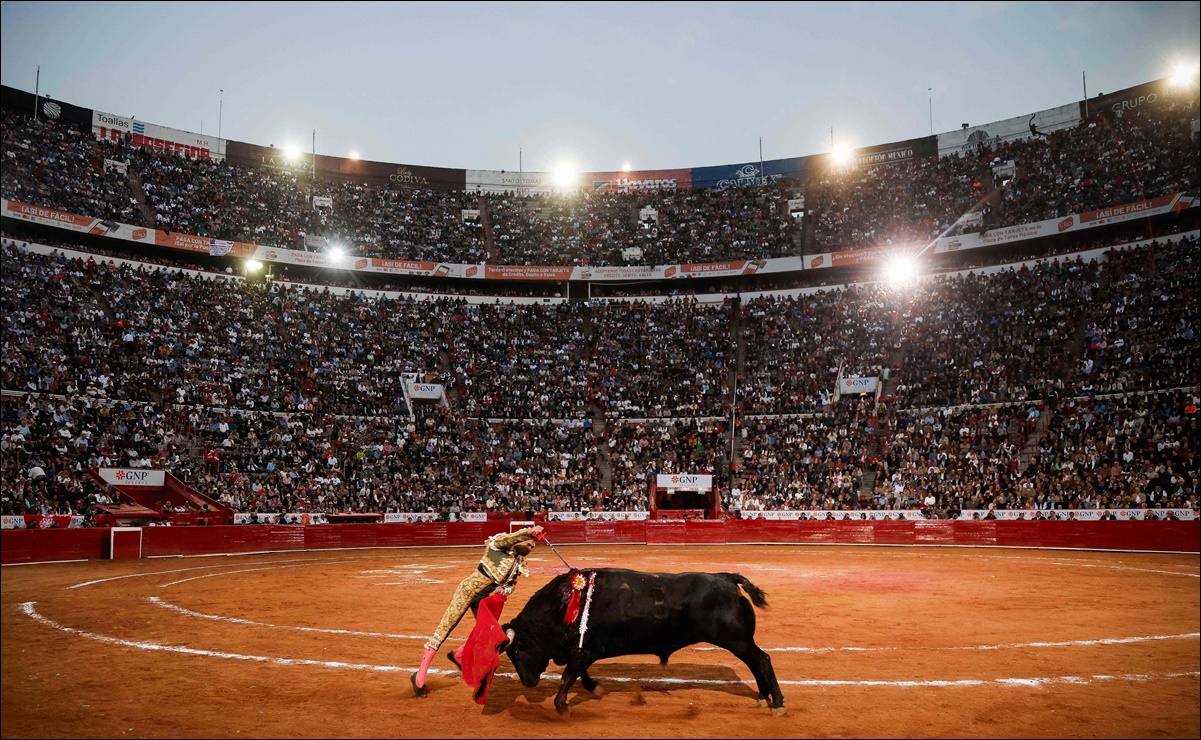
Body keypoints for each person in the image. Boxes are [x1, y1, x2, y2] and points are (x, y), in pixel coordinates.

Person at [412, 524, 545, 697]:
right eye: (529, 544)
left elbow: (511, 586)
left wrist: (503, 590)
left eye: (533, 546)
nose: (532, 548)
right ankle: (420, 675)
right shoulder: (499, 544)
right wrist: (527, 532)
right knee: (445, 628)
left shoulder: (520, 562)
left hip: (483, 601)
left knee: (490, 636)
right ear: (520, 540)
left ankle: (459, 655)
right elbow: (510, 538)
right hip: (467, 591)